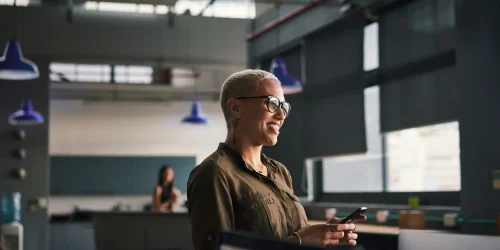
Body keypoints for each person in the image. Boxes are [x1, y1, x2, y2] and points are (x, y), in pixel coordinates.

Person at [187, 69, 366, 249]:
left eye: (284, 107)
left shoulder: (279, 171)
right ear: (236, 108)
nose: (281, 116)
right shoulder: (214, 173)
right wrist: (299, 241)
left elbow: (289, 236)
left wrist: (325, 234)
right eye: (272, 103)